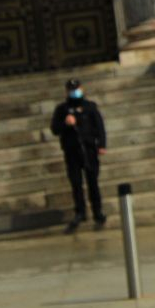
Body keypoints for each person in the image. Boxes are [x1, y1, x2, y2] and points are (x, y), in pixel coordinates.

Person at [50, 78, 107, 230]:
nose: (74, 91)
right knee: (76, 183)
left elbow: (99, 126)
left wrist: (101, 145)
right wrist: (65, 123)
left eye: (76, 88)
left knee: (92, 182)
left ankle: (98, 213)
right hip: (71, 151)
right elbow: (55, 129)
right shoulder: (62, 109)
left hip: (88, 149)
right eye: (71, 89)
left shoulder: (90, 107)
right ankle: (80, 212)